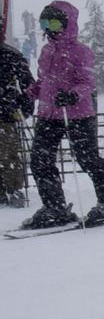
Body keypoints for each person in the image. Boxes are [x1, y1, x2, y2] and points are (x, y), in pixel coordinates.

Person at [23, 1, 104, 229]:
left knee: (88, 159)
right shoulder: (46, 51)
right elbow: (43, 81)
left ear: (66, 23)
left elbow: (87, 82)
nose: (49, 28)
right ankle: (55, 206)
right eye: (44, 23)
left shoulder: (81, 51)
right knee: (40, 160)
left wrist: (72, 95)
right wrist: (29, 94)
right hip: (48, 114)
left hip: (78, 114)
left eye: (53, 22)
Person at [0, 33, 35, 207]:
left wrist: (23, 108)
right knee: (8, 154)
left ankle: (12, 189)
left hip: (5, 115)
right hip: (6, 113)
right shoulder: (12, 55)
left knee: (8, 155)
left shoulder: (11, 55)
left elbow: (28, 85)